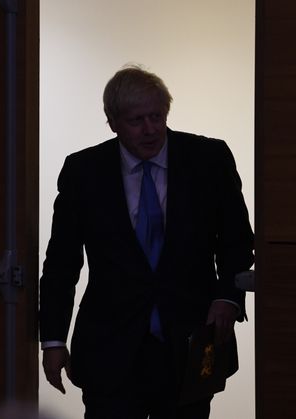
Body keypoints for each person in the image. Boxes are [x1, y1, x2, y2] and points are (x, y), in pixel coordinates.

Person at [39, 65, 254, 419]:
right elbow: (62, 263)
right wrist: (53, 339)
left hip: (191, 341)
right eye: (137, 120)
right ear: (112, 121)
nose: (151, 129)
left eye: (157, 116)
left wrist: (228, 296)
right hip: (111, 348)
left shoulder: (208, 159)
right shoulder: (84, 172)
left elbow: (237, 240)